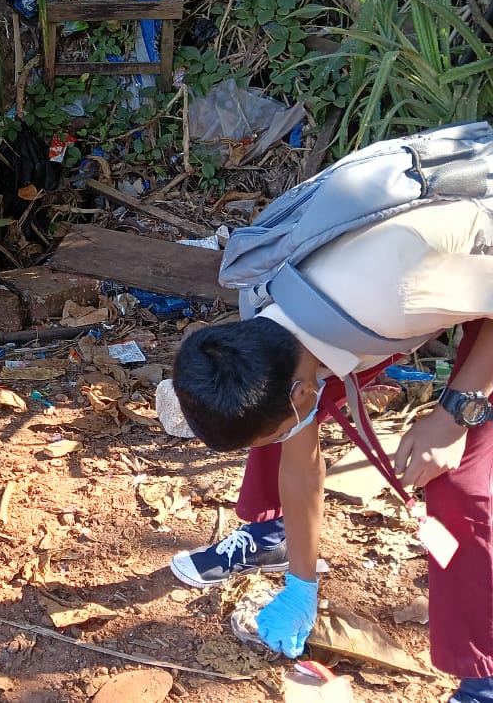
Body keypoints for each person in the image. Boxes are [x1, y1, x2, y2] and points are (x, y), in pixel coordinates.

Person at [170, 198, 493, 702]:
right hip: (388, 293)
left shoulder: (396, 294)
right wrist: (302, 585)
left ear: (303, 393)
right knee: (268, 419)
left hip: (475, 265)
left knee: (464, 487)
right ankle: (277, 536)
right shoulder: (261, 324)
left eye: (300, 407)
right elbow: (297, 451)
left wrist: (454, 413)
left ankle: (485, 678)